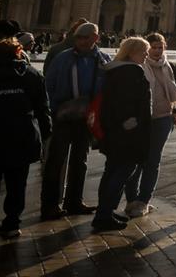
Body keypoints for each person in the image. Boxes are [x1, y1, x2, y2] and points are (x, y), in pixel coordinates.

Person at [0, 38, 51, 239]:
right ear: (18, 53)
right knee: (17, 183)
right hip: (23, 136)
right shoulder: (31, 74)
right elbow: (42, 108)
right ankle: (12, 223)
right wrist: (46, 133)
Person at [41, 22, 111, 220]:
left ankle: (74, 201)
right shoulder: (63, 58)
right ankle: (50, 205)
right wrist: (54, 109)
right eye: (78, 38)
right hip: (64, 115)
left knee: (80, 161)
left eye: (85, 38)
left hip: (86, 117)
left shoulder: (103, 59)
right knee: (56, 161)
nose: (80, 41)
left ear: (95, 38)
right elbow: (49, 84)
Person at [92, 37, 152, 232]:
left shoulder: (113, 70)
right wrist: (132, 124)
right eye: (143, 51)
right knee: (123, 171)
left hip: (113, 132)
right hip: (129, 134)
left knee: (111, 171)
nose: (146, 55)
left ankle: (105, 211)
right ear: (131, 52)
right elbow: (131, 104)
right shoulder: (131, 72)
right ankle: (103, 215)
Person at [123, 33, 176, 218]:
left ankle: (143, 200)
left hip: (163, 118)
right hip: (143, 120)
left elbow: (172, 90)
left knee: (153, 161)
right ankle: (131, 199)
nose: (157, 51)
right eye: (154, 47)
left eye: (160, 47)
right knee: (137, 160)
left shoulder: (169, 67)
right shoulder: (139, 65)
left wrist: (174, 112)